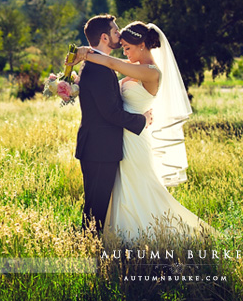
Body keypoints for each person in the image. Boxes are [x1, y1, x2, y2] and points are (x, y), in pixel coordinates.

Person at [68, 20, 213, 242]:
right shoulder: (133, 64)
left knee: (139, 188)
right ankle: (119, 236)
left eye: (127, 47)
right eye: (123, 46)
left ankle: (148, 236)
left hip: (134, 138)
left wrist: (84, 54)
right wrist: (77, 81)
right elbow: (107, 77)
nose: (124, 51)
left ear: (142, 45)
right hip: (118, 137)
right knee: (120, 191)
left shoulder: (150, 72)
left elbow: (111, 63)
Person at [74, 15, 152, 235]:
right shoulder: (98, 69)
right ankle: (91, 251)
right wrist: (142, 120)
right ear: (104, 37)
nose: (120, 36)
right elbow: (110, 113)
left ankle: (90, 246)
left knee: (95, 207)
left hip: (99, 146)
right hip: (100, 147)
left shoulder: (101, 64)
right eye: (116, 32)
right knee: (95, 209)